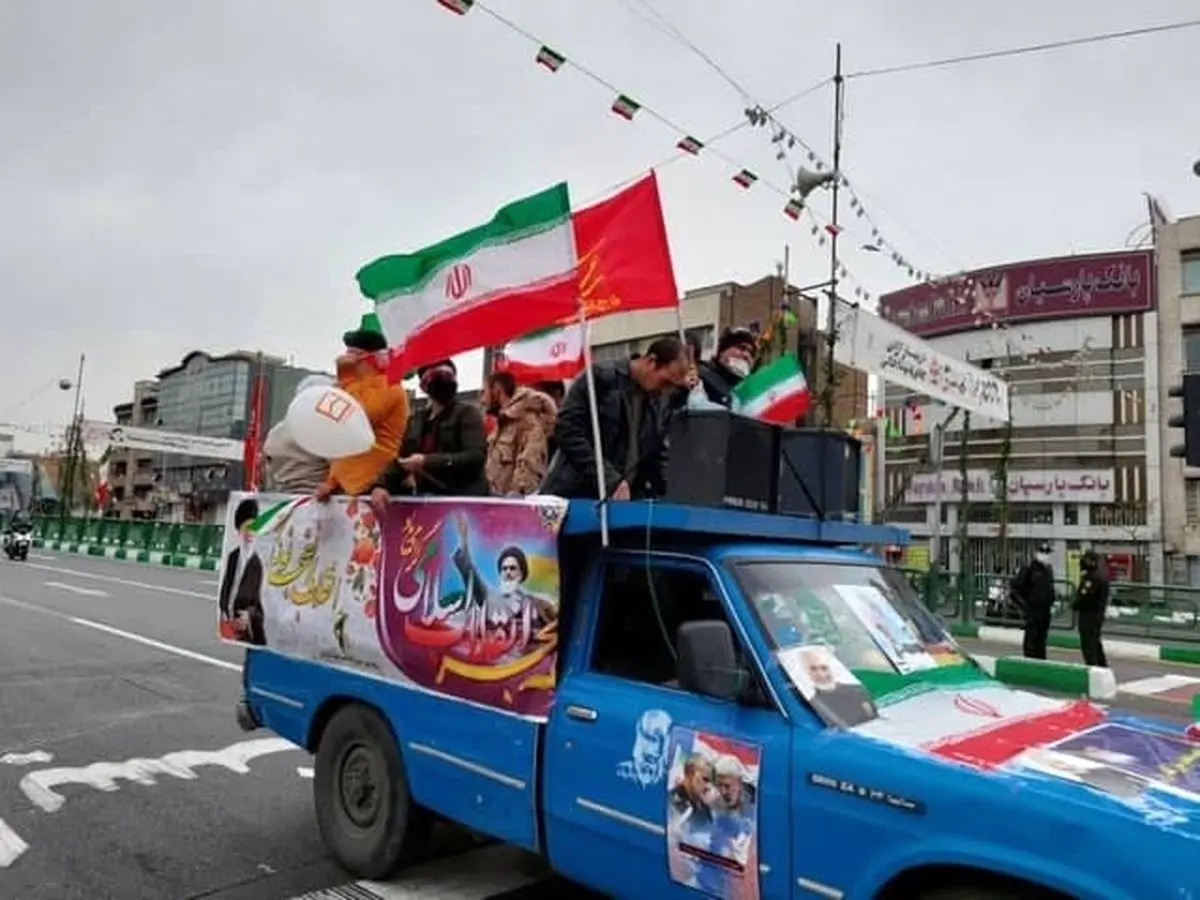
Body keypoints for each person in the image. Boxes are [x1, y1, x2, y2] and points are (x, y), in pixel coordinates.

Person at [540, 336, 691, 500]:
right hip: (575, 494)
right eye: (665, 382)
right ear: (651, 361)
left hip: (621, 501)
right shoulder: (601, 378)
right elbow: (567, 431)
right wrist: (608, 478)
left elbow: (655, 455)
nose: (666, 391)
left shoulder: (656, 402)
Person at [314, 315, 410, 501]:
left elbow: (358, 417)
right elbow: (342, 440)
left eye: (351, 356)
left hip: (376, 486)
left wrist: (347, 379)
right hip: (349, 487)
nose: (344, 361)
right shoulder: (351, 386)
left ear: (368, 359)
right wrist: (332, 481)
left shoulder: (390, 386)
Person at [372, 359, 487, 503]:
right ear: (423, 386)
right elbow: (402, 460)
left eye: (449, 376)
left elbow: (475, 457)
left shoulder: (467, 414)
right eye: (437, 376)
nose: (445, 381)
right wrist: (382, 485)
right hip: (428, 503)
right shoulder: (416, 420)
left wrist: (427, 461)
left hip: (464, 501)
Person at [482, 371, 557, 496]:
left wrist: (518, 494)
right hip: (494, 502)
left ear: (497, 390)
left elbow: (531, 462)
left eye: (484, 392)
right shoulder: (502, 424)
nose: (482, 400)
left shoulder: (527, 418)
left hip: (512, 506)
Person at [263, 374, 335, 493]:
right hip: (320, 501)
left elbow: (267, 470)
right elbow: (344, 471)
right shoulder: (323, 429)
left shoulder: (276, 432)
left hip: (283, 500)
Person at [218, 497, 265, 645]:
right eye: (246, 528)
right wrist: (224, 609)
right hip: (229, 619)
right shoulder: (233, 556)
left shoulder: (257, 564)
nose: (250, 533)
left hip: (247, 624)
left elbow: (260, 600)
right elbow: (226, 585)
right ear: (239, 530)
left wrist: (248, 615)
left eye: (253, 528)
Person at [1012, 542, 1057, 660]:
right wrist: (1024, 606)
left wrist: (1053, 602)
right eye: (1043, 552)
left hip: (1045, 611)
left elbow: (1050, 588)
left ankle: (1041, 661)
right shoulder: (1028, 569)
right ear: (1036, 553)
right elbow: (1015, 589)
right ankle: (1030, 661)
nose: (1045, 556)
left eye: (1047, 553)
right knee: (1031, 638)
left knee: (1042, 639)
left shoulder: (1048, 569)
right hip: (1033, 610)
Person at [696, 327, 758, 408]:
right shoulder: (701, 377)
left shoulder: (752, 393)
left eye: (751, 353)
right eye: (741, 348)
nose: (746, 355)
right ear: (722, 352)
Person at [1073, 549, 1109, 667]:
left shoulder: (1091, 577)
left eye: (1086, 559)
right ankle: (1102, 666)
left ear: (1092, 561)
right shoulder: (1101, 574)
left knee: (1088, 643)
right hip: (1097, 614)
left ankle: (1093, 667)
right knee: (1095, 642)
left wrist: (1075, 604)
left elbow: (1085, 596)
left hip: (1089, 614)